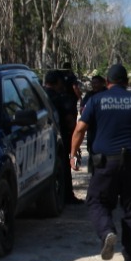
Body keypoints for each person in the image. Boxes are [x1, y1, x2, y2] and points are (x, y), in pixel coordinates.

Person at [68, 63, 131, 261]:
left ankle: (107, 232)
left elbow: (79, 130)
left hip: (105, 162)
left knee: (97, 201)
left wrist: (73, 154)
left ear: (107, 83)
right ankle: (130, 255)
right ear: (127, 83)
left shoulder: (96, 101)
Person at [44, 70, 81, 204]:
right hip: (62, 137)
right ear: (58, 82)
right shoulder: (62, 98)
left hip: (42, 137)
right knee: (64, 167)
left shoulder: (38, 95)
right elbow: (70, 121)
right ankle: (66, 195)